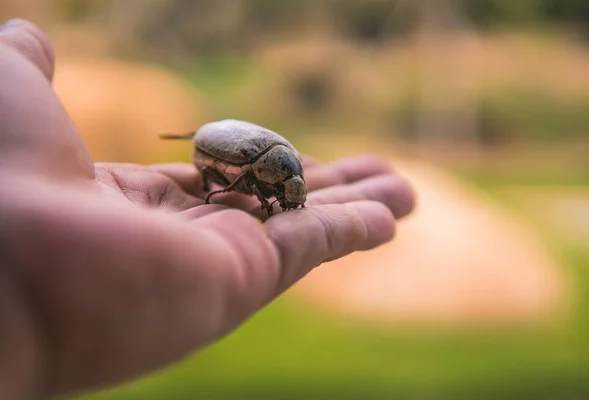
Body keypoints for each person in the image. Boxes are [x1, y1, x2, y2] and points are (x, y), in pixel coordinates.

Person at [0, 19, 415, 399]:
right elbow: (241, 178)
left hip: (231, 143)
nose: (290, 197)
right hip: (213, 146)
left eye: (291, 190)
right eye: (288, 190)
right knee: (225, 181)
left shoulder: (278, 161)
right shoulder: (257, 163)